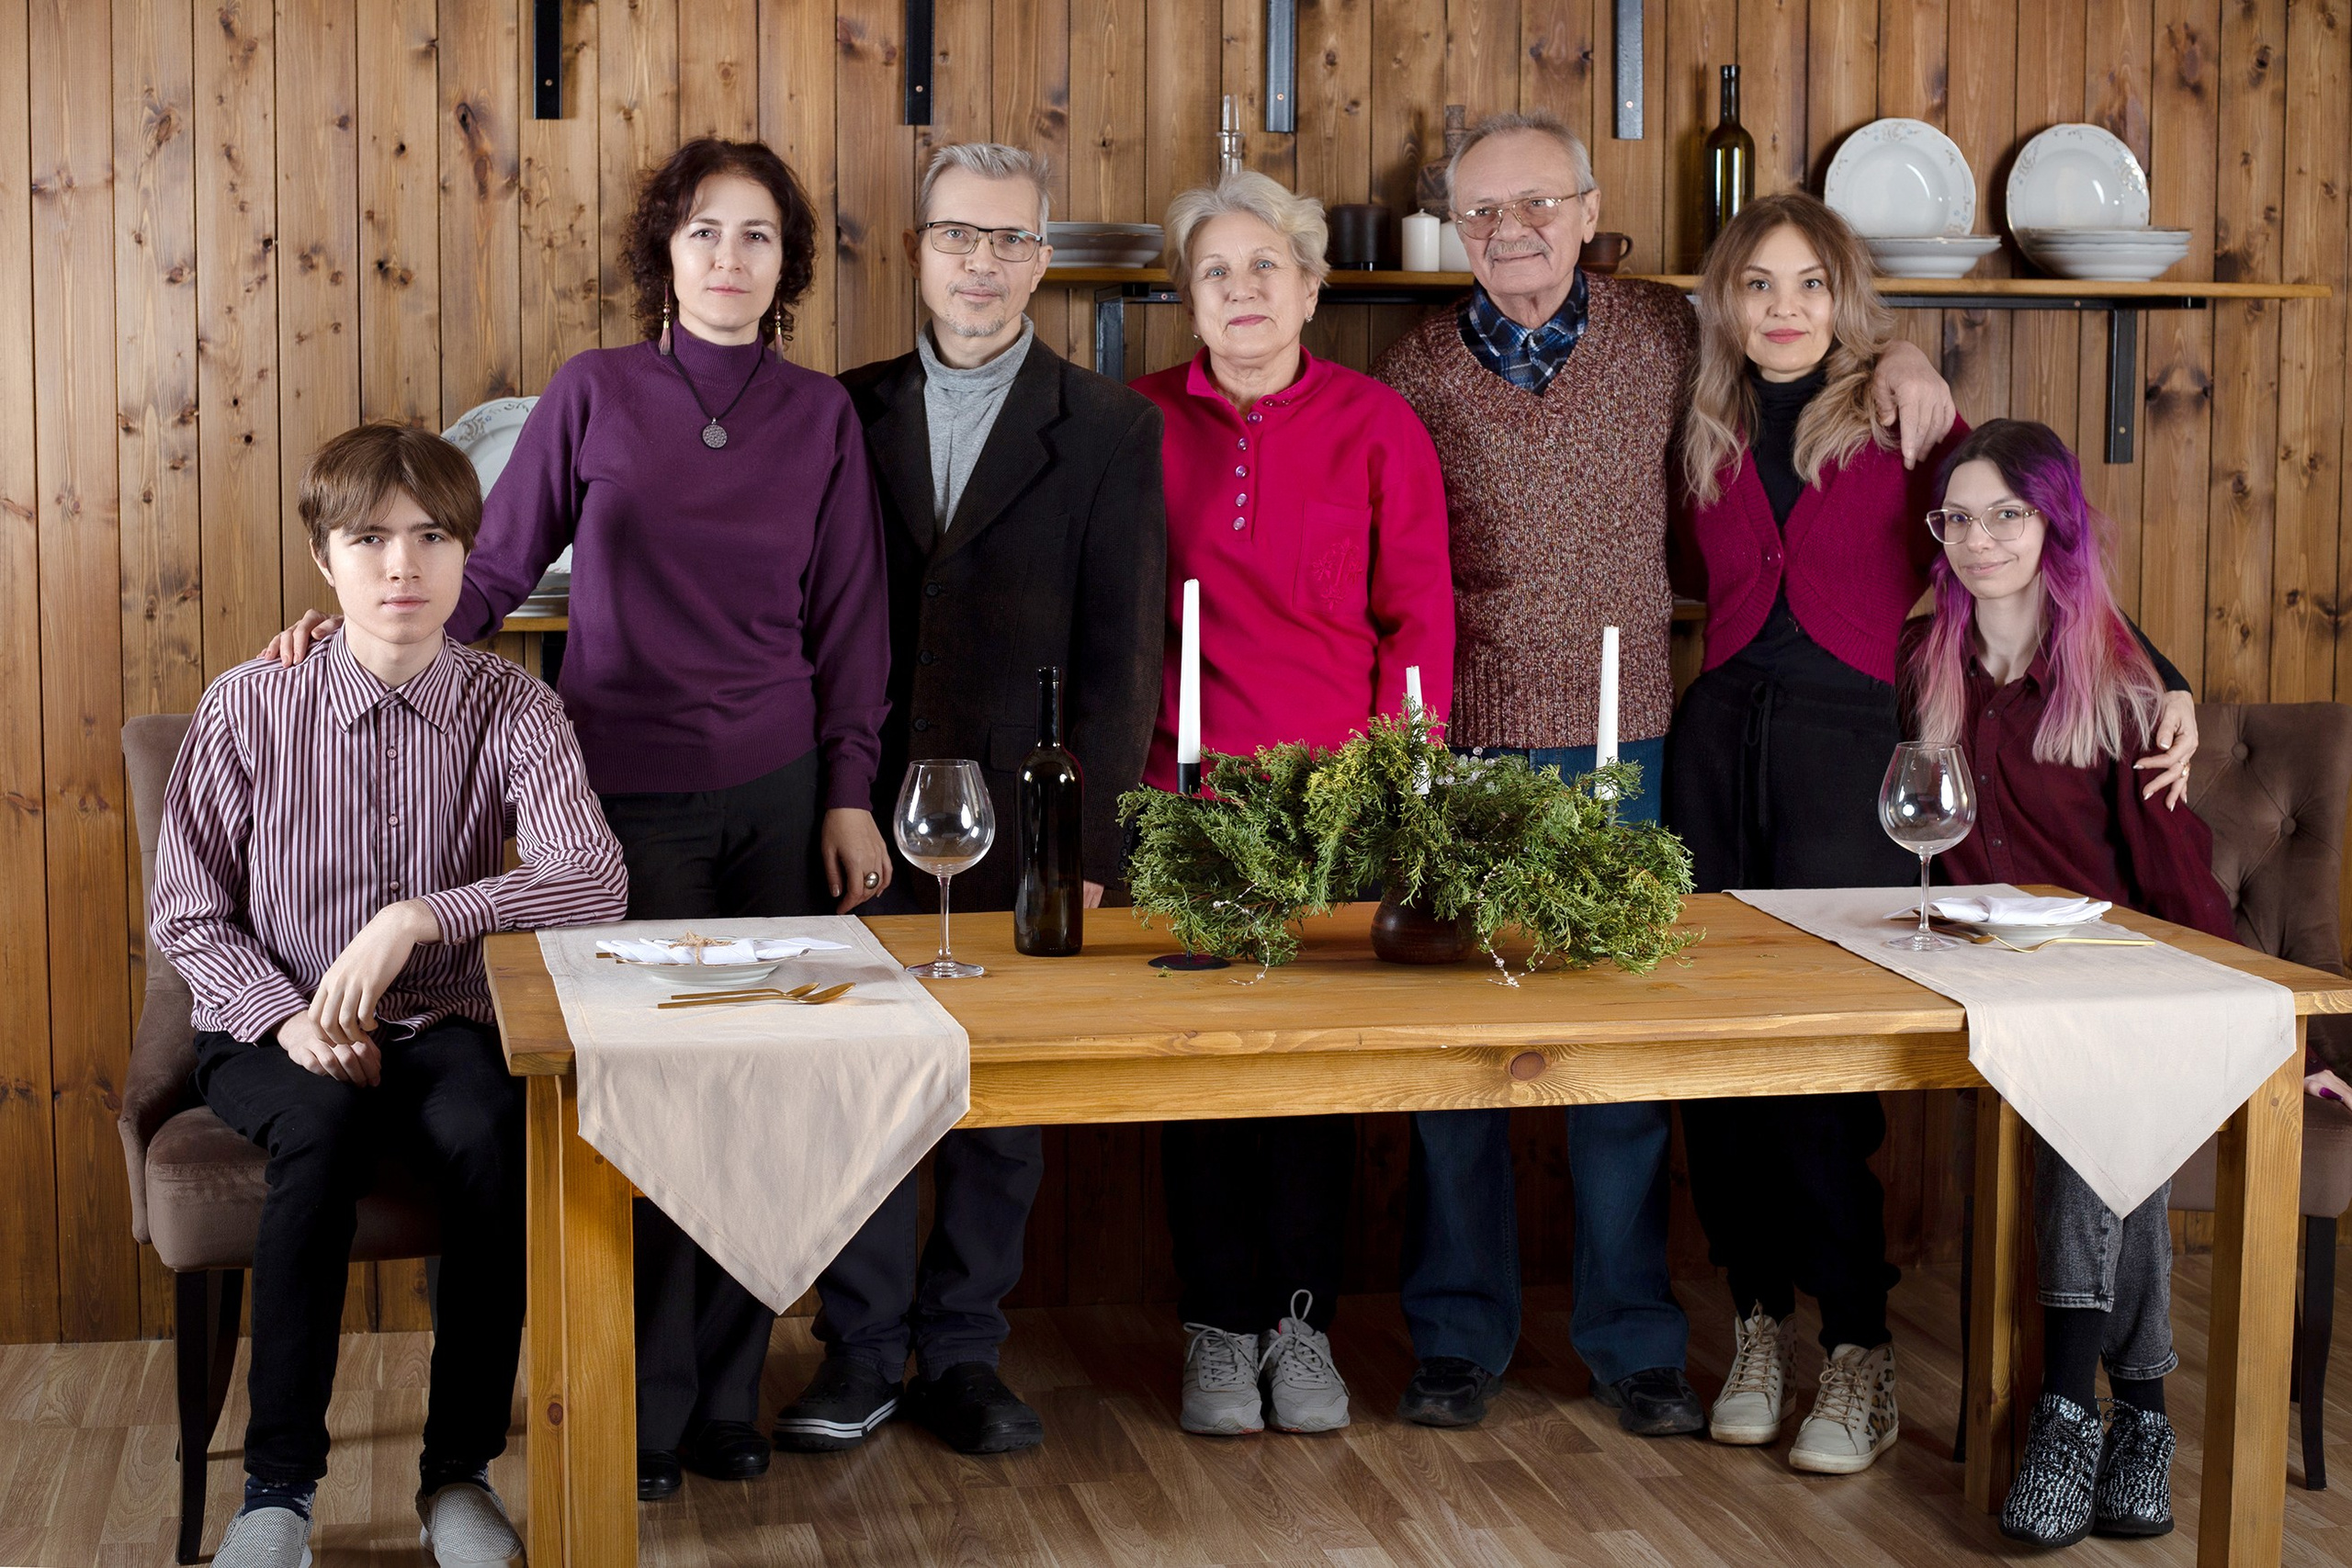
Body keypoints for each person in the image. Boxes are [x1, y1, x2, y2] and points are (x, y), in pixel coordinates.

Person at [268, 137, 893, 1501]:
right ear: (663, 252)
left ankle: (725, 1394)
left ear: (786, 266)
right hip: (623, 803)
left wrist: (849, 791)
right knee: (647, 1104)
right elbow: (489, 567)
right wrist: (368, 643)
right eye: (704, 231)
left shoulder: (821, 417)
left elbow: (852, 619)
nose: (729, 258)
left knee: (759, 1098)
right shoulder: (593, 392)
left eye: (758, 236)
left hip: (780, 795)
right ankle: (643, 1406)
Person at [1370, 110, 1960, 1438]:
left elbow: (1800, 340)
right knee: (1455, 1067)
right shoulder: (1413, 368)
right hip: (1461, 745)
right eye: (1483, 212)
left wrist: (1907, 351)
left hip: (1629, 741)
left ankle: (1633, 1341)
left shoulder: (1662, 338)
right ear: (1455, 230)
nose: (1514, 231)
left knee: (1624, 1061)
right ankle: (1456, 1336)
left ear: (1589, 213)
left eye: (1539, 204)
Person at [1665, 193, 2199, 1476]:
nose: (1784, 308)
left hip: (1849, 754)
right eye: (1758, 284)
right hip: (1714, 751)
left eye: (1810, 283)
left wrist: (2165, 676)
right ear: (1725, 302)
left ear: (1847, 299)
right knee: (1710, 1060)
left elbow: (2039, 556)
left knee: (1822, 1065)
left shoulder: (1906, 416)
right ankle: (1756, 1322)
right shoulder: (1697, 427)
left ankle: (1857, 1344)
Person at [153, 423, 628, 1568]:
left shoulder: (511, 706)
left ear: (467, 554)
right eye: (368, 539)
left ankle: (457, 1476)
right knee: (317, 1128)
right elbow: (186, 913)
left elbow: (594, 878)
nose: (401, 565)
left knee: (491, 1132)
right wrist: (289, 1018)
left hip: (443, 1017)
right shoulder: (247, 705)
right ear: (324, 559)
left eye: (431, 538)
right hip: (266, 1019)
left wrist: (421, 916)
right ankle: (277, 1496)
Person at [773, 142, 1165, 1459]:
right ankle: (860, 1349)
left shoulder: (1109, 427)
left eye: (1008, 240)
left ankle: (963, 1352)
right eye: (957, 236)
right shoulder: (842, 409)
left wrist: (1087, 846)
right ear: (917, 250)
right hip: (856, 804)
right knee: (861, 1084)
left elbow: (1123, 656)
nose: (981, 263)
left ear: (1040, 260)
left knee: (1003, 1105)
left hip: (1024, 817)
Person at [1135, 169, 1454, 1438]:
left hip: (1336, 808)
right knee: (1201, 1081)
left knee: (1314, 1083)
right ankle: (1216, 1327)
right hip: (1185, 802)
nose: (1243, 290)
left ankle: (1299, 1324)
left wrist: (1395, 791)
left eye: (1267, 266)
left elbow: (1417, 618)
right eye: (1216, 271)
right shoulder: (1136, 421)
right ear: (1189, 297)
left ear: (1313, 288)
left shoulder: (1378, 425)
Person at [1897, 418, 2234, 1544]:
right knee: (2094, 1101)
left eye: (2008, 515)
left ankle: (2069, 1413)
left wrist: (2282, 1024)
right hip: (1980, 978)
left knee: (2094, 1099)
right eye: (1958, 518)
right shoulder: (1924, 661)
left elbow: (2174, 873)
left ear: (2054, 526)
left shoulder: (2122, 686)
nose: (1979, 539)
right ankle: (2137, 1414)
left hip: (2110, 979)